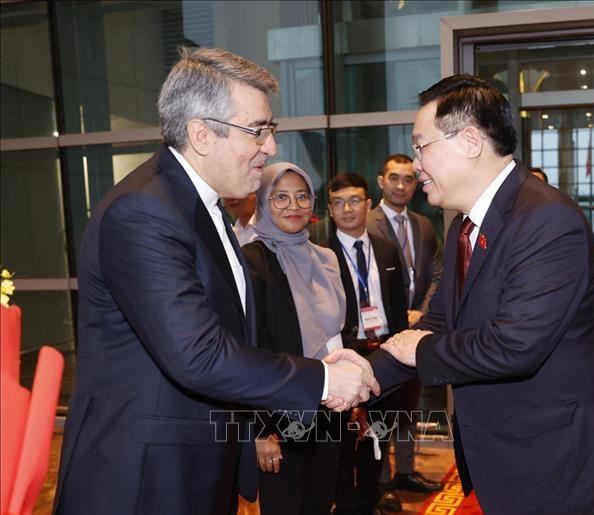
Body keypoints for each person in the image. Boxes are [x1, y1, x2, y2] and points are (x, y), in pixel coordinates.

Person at [53, 47, 377, 515]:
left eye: (271, 130)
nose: (269, 147)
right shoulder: (143, 211)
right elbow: (198, 353)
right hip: (147, 476)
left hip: (199, 460)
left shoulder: (202, 206)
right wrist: (323, 379)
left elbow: (230, 331)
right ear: (201, 134)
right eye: (258, 130)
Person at [375, 74, 594, 514]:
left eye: (421, 147)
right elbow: (442, 319)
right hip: (510, 460)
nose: (416, 165)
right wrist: (362, 375)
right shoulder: (465, 224)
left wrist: (419, 350)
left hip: (561, 470)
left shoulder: (546, 218)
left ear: (471, 141)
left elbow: (515, 345)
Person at [242, 162, 346, 515]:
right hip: (278, 414)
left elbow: (337, 335)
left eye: (302, 196)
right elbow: (246, 352)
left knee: (320, 503)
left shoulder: (326, 259)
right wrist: (259, 431)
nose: (294, 206)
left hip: (327, 406)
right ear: (262, 203)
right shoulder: (251, 262)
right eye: (280, 197)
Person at [322, 173, 409, 515]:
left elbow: (398, 305)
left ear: (368, 204)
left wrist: (403, 355)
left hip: (385, 355)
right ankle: (345, 506)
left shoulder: (386, 247)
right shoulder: (322, 253)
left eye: (355, 200)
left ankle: (370, 502)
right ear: (330, 209)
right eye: (339, 202)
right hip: (347, 355)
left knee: (378, 438)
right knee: (345, 444)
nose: (348, 209)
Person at [366, 154, 443, 509]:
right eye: (394, 178)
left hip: (416, 329)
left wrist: (422, 312)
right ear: (381, 181)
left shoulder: (423, 225)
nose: (401, 185)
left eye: (409, 179)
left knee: (408, 408)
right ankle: (382, 482)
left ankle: (406, 471)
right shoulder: (364, 222)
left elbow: (437, 274)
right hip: (378, 334)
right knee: (380, 411)